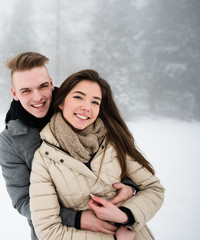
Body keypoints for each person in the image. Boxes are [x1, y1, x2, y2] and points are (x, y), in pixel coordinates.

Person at [0, 52, 138, 239]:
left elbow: (115, 156)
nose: (38, 97)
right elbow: (23, 200)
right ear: (14, 93)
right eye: (26, 91)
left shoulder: (78, 108)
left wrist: (129, 186)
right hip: (58, 231)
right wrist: (77, 218)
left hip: (113, 221)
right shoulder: (11, 140)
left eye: (43, 86)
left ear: (51, 82)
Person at [29, 69, 165, 240]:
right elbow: (48, 231)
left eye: (95, 102)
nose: (87, 107)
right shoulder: (44, 158)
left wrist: (126, 217)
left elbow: (154, 189)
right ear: (61, 102)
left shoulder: (113, 140)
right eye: (78, 97)